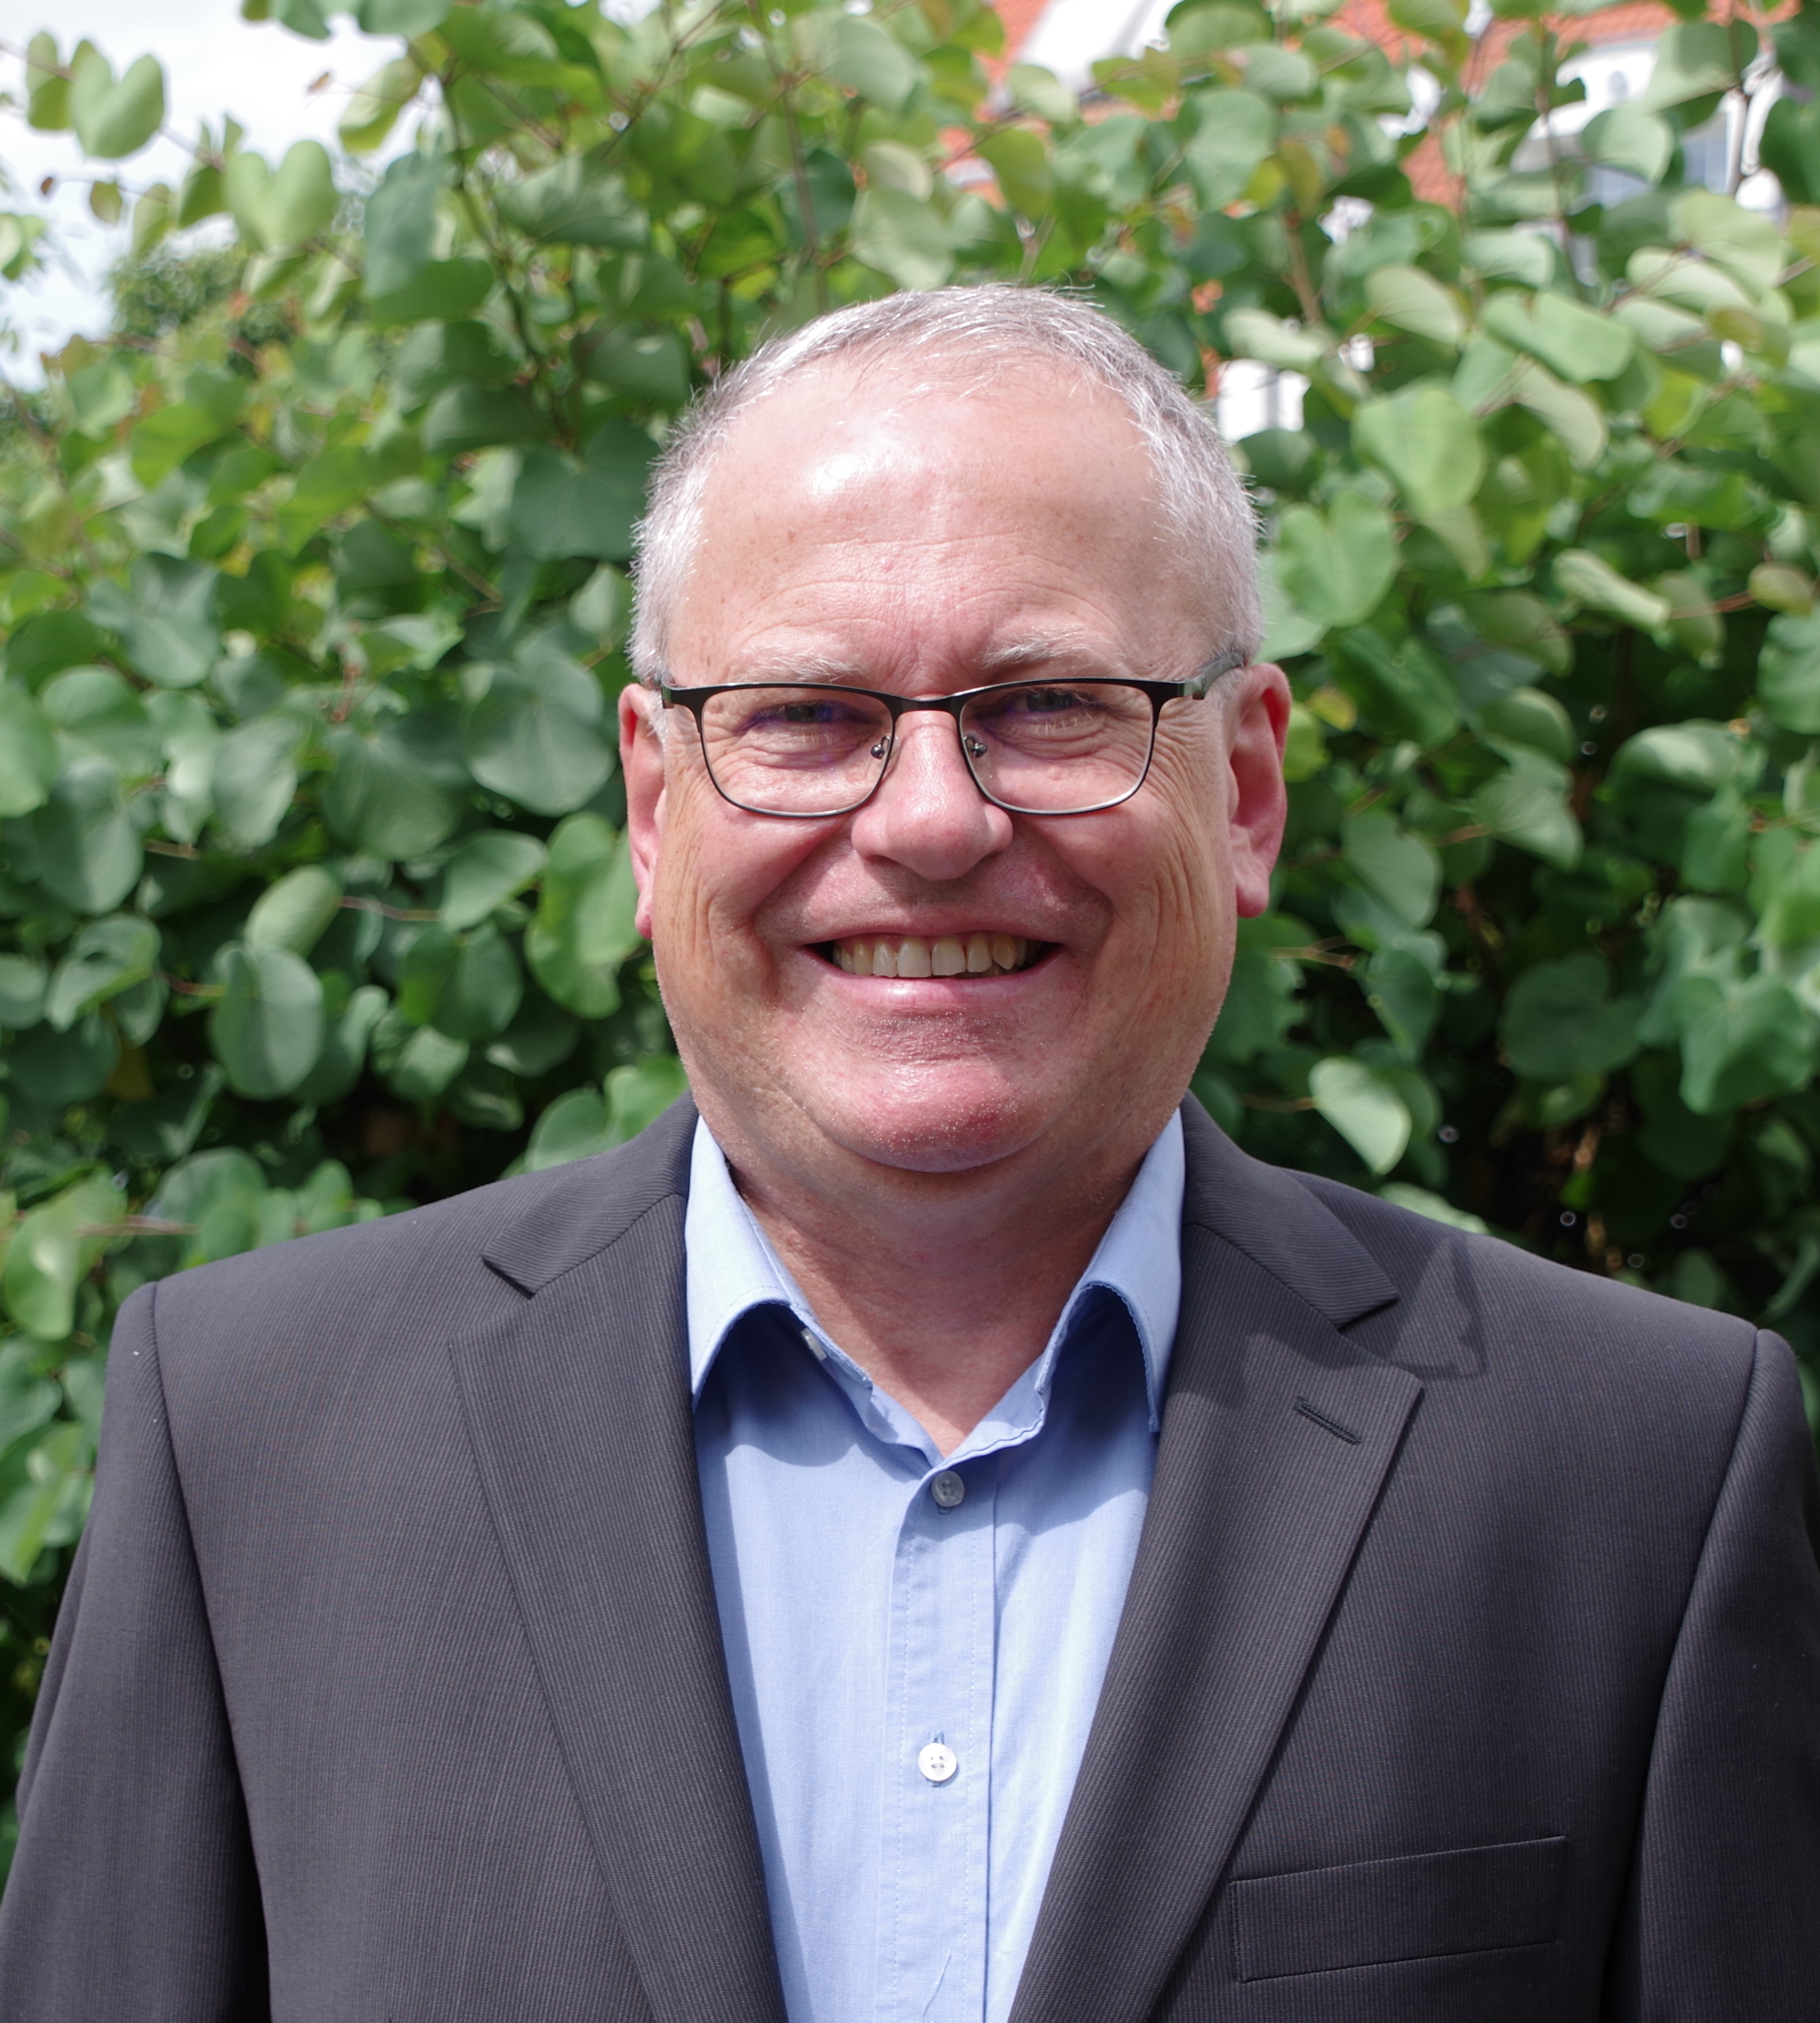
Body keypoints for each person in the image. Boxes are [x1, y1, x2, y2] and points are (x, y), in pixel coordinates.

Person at [2, 287, 1817, 2023]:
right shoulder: (252, 1439)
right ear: (652, 805)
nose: (933, 822)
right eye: (807, 717)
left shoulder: (1637, 1475)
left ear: (1247, 792)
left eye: (1053, 704)